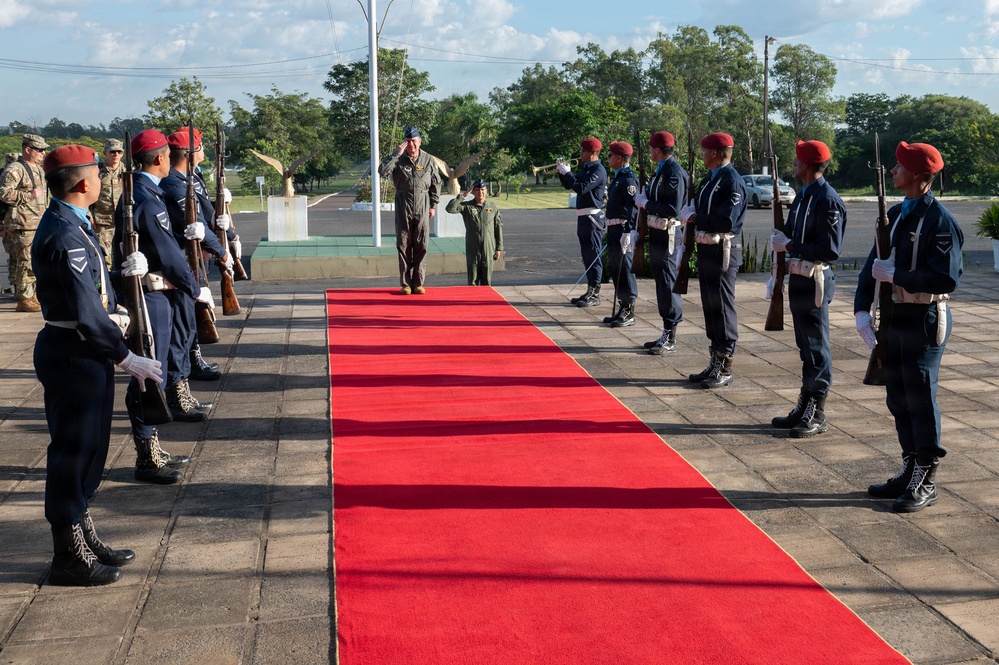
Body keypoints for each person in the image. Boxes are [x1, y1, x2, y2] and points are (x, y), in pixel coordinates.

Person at [32, 144, 161, 585]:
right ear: (85, 182)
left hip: (86, 351)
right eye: (99, 175)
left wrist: (122, 281)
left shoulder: (72, 222)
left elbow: (92, 292)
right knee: (73, 452)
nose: (103, 180)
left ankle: (84, 535)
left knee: (91, 449)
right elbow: (87, 313)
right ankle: (68, 555)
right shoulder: (65, 233)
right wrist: (126, 356)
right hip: (74, 353)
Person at [855, 141, 963, 513]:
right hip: (896, 316)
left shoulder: (940, 221)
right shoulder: (897, 214)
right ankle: (910, 465)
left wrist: (898, 274)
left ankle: (926, 477)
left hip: (925, 317)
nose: (893, 171)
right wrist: (861, 310)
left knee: (920, 396)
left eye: (899, 166)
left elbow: (947, 279)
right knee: (897, 395)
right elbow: (872, 265)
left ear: (918, 175)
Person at [112, 129, 202, 484]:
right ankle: (147, 457)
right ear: (161, 158)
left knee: (153, 371)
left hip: (149, 292)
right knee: (148, 375)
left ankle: (152, 450)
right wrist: (195, 288)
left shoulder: (141, 193)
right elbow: (168, 256)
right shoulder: (147, 199)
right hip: (150, 297)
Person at [769, 140, 847, 438]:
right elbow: (791, 234)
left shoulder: (828, 200)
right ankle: (805, 403)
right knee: (805, 346)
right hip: (798, 278)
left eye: (797, 160)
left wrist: (789, 245)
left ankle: (818, 410)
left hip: (815, 280)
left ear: (807, 165)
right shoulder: (803, 196)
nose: (794, 164)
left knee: (816, 347)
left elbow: (829, 250)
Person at [160, 127, 229, 418]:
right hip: (183, 262)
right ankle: (177, 392)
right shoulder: (175, 185)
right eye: (199, 148)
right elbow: (193, 222)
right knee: (181, 328)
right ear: (190, 154)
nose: (203, 152)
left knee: (188, 324)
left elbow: (205, 214)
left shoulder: (190, 178)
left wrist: (227, 229)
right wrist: (221, 250)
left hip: (193, 258)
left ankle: (186, 377)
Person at [679, 133, 747, 389]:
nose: (702, 155)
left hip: (723, 251)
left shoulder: (732, 181)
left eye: (705, 151)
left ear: (716, 153)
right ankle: (714, 360)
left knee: (722, 306)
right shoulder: (710, 179)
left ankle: (725, 364)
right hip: (707, 249)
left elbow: (727, 221)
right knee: (710, 306)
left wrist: (697, 218)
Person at [635, 131, 688, 351]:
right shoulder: (660, 171)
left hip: (668, 234)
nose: (649, 152)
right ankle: (666, 330)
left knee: (667, 282)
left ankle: (670, 335)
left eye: (651, 148)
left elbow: (672, 208)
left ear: (658, 149)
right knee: (661, 283)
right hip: (657, 233)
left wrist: (646, 204)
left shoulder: (673, 173)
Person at [378, 126, 441, 295]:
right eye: (408, 141)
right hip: (403, 203)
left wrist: (433, 205)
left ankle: (418, 283)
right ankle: (406, 283)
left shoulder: (428, 159)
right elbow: (382, 171)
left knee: (421, 243)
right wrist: (396, 154)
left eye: (414, 141)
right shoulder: (398, 158)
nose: (411, 144)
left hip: (423, 203)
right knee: (404, 243)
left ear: (420, 142)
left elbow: (436, 183)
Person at [0, 134, 50, 311]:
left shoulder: (38, 169)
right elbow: (3, 193)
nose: (43, 153)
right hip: (23, 223)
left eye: (44, 150)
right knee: (25, 261)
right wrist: (28, 196)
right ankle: (24, 299)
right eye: (40, 150)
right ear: (28, 149)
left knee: (34, 261)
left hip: (37, 222)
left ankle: (32, 295)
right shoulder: (16, 169)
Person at [558, 137, 608, 307]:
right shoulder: (587, 168)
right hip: (583, 217)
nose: (580, 154)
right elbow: (570, 185)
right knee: (586, 255)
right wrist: (562, 173)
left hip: (592, 218)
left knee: (593, 255)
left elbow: (581, 188)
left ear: (593, 153)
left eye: (583, 151)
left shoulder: (598, 170)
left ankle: (595, 293)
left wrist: (568, 173)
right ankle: (590, 289)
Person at [601, 141, 640, 326]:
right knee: (616, 269)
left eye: (610, 155)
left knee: (625, 269)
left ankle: (629, 310)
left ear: (619, 158)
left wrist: (628, 230)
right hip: (614, 228)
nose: (608, 158)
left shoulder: (628, 179)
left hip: (623, 229)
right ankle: (622, 306)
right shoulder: (618, 177)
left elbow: (633, 207)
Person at [445, 178, 504, 286]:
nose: (480, 192)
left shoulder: (492, 207)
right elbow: (450, 209)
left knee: (487, 277)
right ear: (473, 191)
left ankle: (486, 296)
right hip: (473, 245)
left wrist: (499, 248)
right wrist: (463, 196)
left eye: (482, 190)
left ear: (486, 191)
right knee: (473, 276)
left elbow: (498, 227)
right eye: (477, 190)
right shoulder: (467, 206)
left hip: (488, 245)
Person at [90, 138, 126, 270]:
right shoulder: (96, 171)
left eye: (119, 152)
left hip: (123, 221)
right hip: (103, 221)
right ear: (105, 153)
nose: (116, 155)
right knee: (104, 258)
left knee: (125, 256)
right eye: (112, 152)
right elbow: (87, 194)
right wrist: (89, 215)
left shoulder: (127, 171)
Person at [1, 152, 18, 294]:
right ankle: (16, 286)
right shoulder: (3, 178)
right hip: (7, 222)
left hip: (21, 221)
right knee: (13, 256)